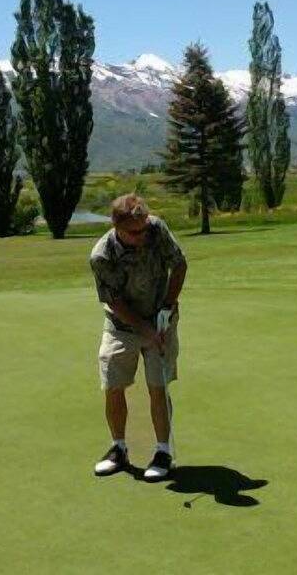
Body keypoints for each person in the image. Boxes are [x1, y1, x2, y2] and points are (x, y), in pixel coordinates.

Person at [89, 194, 187, 480]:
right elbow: (114, 300)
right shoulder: (102, 255)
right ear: (116, 227)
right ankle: (118, 449)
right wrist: (145, 330)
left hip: (161, 320)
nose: (142, 235)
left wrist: (167, 306)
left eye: (144, 228)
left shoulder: (155, 228)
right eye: (134, 232)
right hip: (121, 325)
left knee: (158, 386)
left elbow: (179, 264)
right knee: (113, 383)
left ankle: (163, 452)